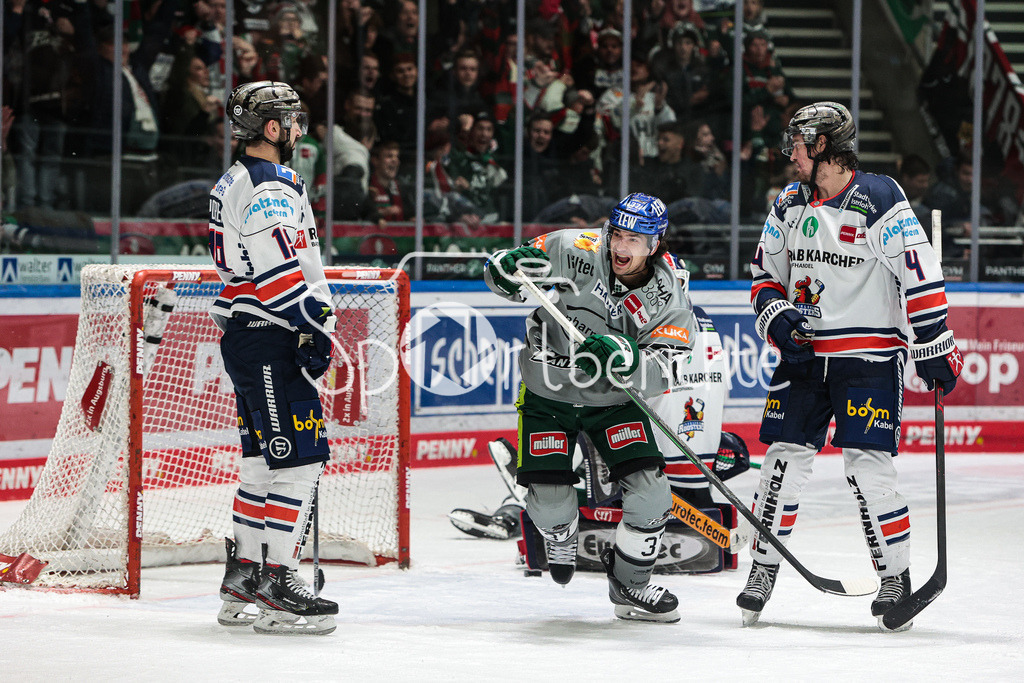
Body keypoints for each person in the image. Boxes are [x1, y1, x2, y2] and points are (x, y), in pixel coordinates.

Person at [742, 101, 963, 631]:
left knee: (869, 470)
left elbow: (919, 275)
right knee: (780, 461)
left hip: (866, 358)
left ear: (822, 147)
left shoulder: (879, 197)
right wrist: (777, 318)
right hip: (804, 357)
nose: (789, 153)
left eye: (798, 144)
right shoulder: (789, 202)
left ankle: (895, 577)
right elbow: (762, 273)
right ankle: (763, 568)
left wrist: (933, 340)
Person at [483, 192, 696, 622]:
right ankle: (560, 534)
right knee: (551, 506)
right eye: (616, 234)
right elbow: (512, 269)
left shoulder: (667, 288)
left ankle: (630, 585)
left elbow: (670, 365)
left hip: (613, 401)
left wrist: (626, 356)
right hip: (548, 391)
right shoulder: (572, 248)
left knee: (653, 497)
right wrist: (501, 270)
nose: (621, 246)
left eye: (634, 239)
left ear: (655, 244)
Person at [209, 80, 339, 635]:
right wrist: (312, 328)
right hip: (272, 335)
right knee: (299, 461)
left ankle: (244, 574)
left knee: (262, 461)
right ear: (271, 129)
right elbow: (280, 272)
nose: (297, 129)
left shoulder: (234, 178)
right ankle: (278, 582)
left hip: (249, 335)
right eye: (290, 120)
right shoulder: (269, 187)